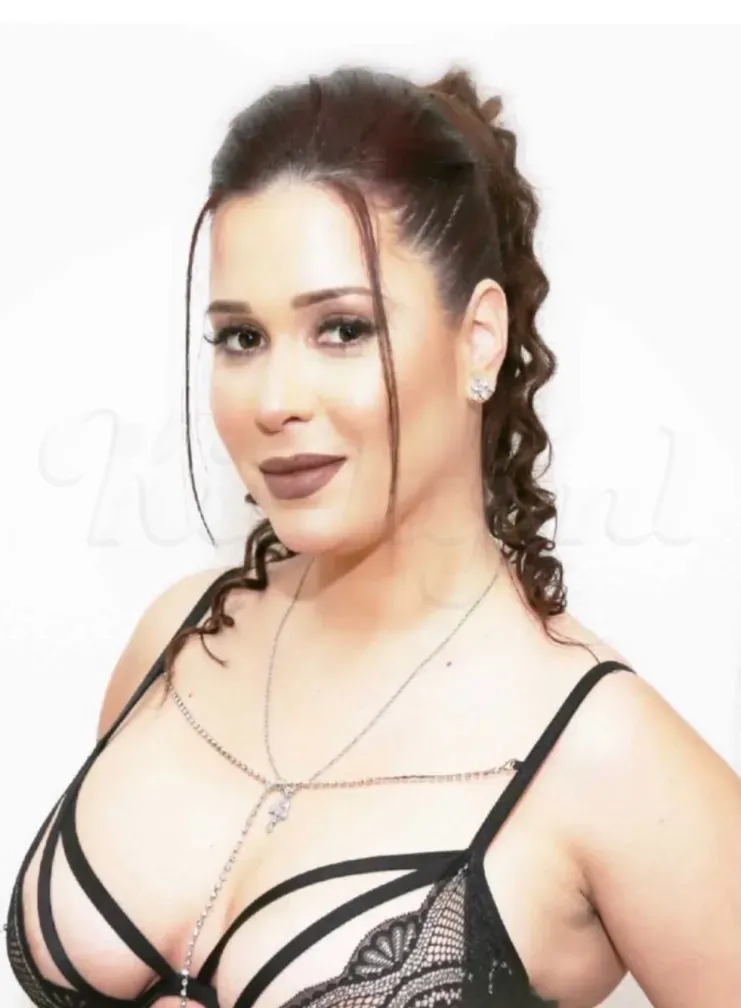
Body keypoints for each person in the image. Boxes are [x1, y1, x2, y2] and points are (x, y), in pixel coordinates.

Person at [4, 62, 740, 1008]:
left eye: (342, 329)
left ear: (478, 339)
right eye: (241, 338)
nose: (275, 401)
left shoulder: (605, 755)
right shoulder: (179, 639)